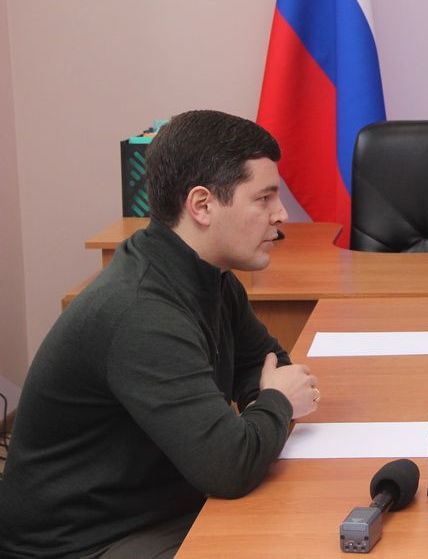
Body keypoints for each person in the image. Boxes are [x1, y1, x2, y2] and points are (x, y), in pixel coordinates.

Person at [0, 110, 319, 557]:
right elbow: (229, 467)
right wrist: (277, 403)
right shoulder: (140, 311)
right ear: (202, 205)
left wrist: (262, 408)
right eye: (264, 198)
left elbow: (265, 365)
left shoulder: (209, 275)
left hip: (155, 510)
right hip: (83, 543)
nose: (281, 214)